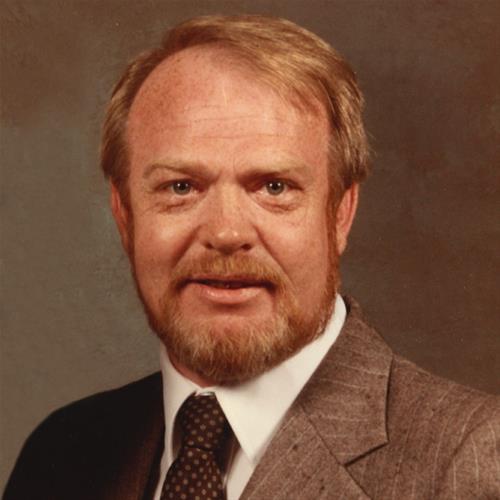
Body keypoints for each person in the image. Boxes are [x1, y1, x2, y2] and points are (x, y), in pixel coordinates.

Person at [4, 14, 499, 500]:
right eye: (181, 187)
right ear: (124, 215)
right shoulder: (61, 454)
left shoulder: (472, 462)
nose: (226, 233)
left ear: (340, 213)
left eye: (274, 187)